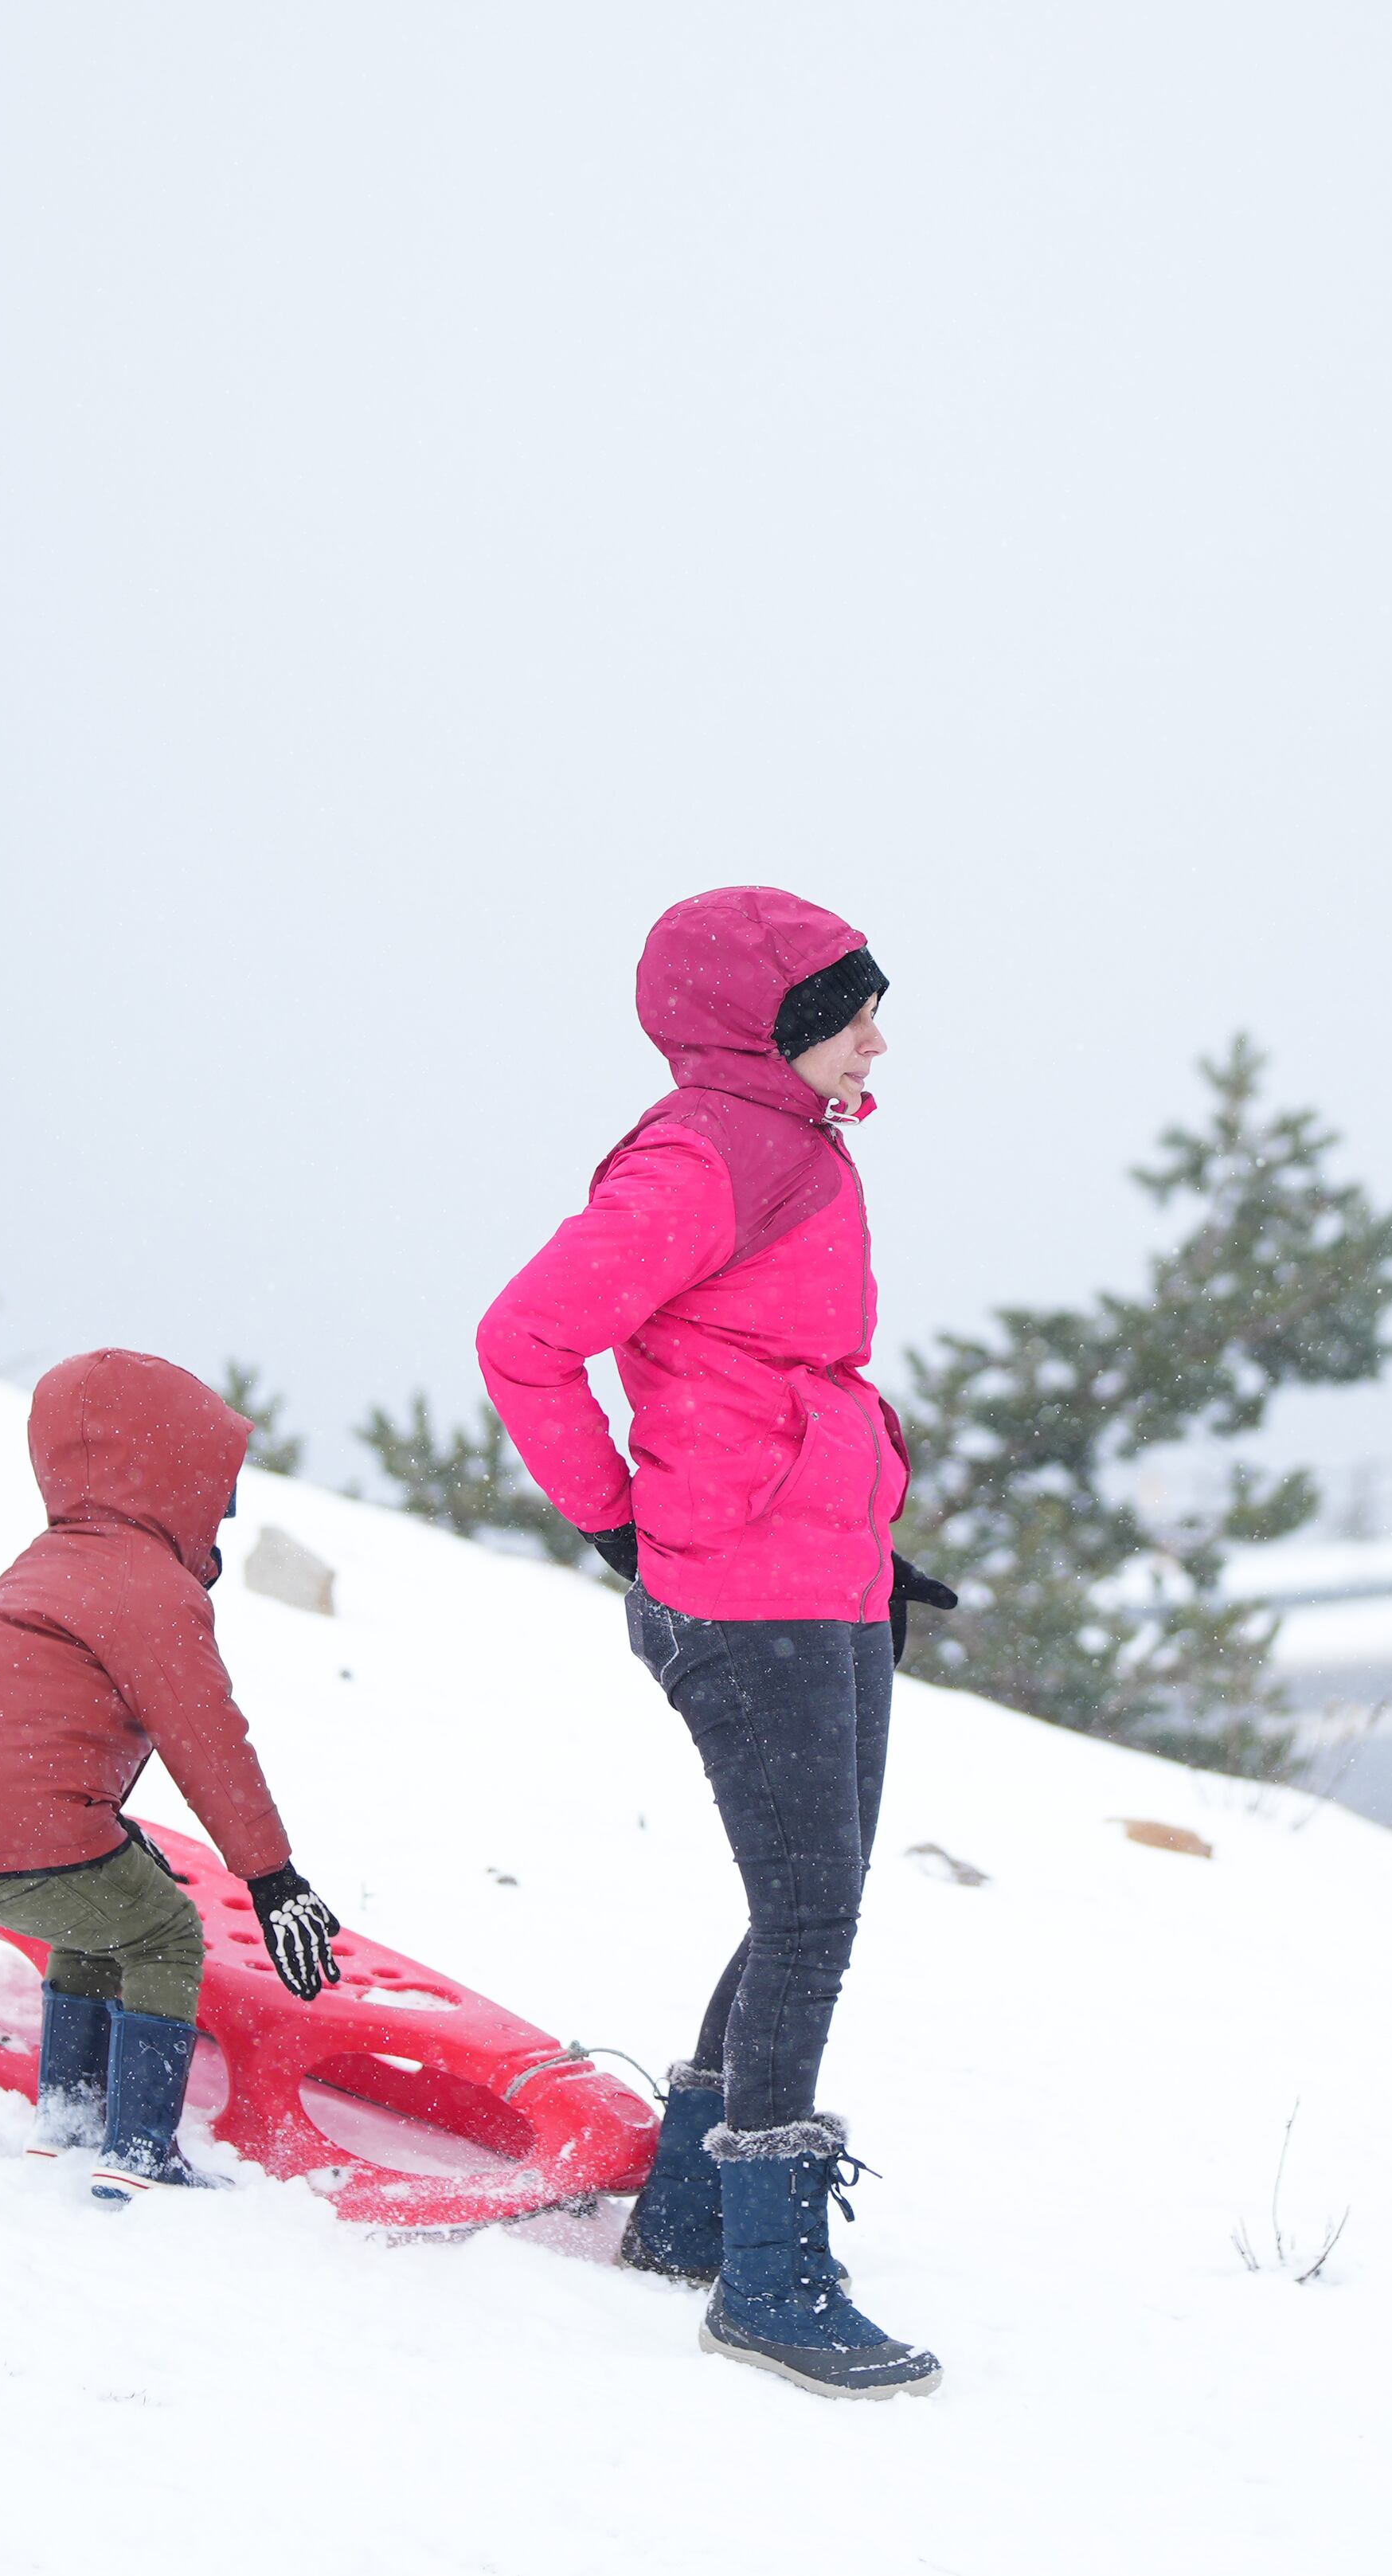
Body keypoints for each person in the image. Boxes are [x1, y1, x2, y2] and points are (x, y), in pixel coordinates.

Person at [478, 887, 955, 2402]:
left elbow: (769, 1378)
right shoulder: (704, 1153)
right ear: (764, 1025)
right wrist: (619, 1523)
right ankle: (768, 2269)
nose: (877, 1031)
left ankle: (689, 2208)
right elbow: (526, 1335)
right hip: (743, 1595)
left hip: (818, 1572)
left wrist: (862, 1540)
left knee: (805, 1897)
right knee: (810, 1914)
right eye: (845, 1006)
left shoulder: (786, 1143)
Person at [0, 1349, 343, 2206]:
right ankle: (138, 2146)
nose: (228, 1502)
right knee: (161, 1929)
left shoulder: (51, 1558)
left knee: (100, 1908)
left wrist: (104, 1825)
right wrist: (272, 1877)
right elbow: (207, 1739)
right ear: (172, 1470)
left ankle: (66, 2116)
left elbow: (25, 1726)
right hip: (14, 1830)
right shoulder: (145, 1583)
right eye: (218, 1477)